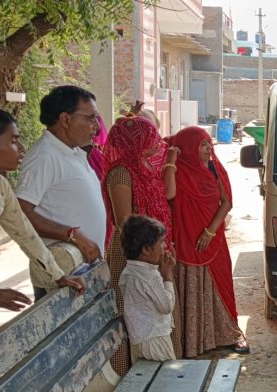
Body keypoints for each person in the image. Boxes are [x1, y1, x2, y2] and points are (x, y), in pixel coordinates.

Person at [0, 106, 85, 355]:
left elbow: (24, 232)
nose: (22, 148)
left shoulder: (0, 187)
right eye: (14, 141)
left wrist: (57, 275)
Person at [103, 115, 180, 375]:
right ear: (133, 142)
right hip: (135, 251)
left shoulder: (144, 166)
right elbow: (126, 221)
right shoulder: (121, 173)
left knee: (157, 307)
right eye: (148, 137)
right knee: (136, 312)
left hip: (153, 247)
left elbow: (167, 195)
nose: (155, 142)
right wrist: (149, 249)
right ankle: (133, 374)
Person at [16, 86, 106, 299]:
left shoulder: (73, 151)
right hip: (61, 273)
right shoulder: (44, 156)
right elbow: (20, 213)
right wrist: (72, 235)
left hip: (82, 269)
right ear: (65, 119)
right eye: (91, 118)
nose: (96, 126)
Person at [169, 126, 250, 356]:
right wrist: (171, 161)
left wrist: (210, 232)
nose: (208, 149)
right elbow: (169, 195)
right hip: (186, 238)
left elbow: (227, 202)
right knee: (191, 285)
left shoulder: (215, 168)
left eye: (208, 144)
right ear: (188, 148)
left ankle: (226, 335)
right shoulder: (178, 172)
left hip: (211, 239)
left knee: (221, 284)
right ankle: (192, 341)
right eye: (202, 145)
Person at [119, 215, 177, 362]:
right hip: (155, 341)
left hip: (139, 340)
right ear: (146, 249)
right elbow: (166, 306)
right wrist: (167, 276)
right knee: (167, 381)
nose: (164, 247)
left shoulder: (129, 271)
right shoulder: (149, 276)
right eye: (161, 242)